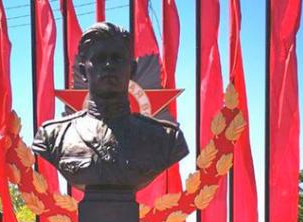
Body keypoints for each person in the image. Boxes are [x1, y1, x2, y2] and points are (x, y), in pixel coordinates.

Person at [32, 22, 188, 192]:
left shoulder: (166, 138)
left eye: (117, 58)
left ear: (132, 70)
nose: (108, 65)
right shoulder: (53, 136)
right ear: (83, 72)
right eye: (99, 59)